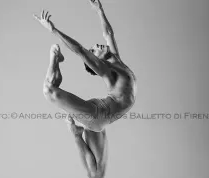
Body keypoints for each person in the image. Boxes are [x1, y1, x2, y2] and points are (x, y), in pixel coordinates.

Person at [33, 0, 137, 132]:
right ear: (96, 60)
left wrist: (100, 10)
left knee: (95, 153)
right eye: (93, 51)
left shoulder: (116, 59)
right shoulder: (106, 70)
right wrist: (53, 30)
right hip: (97, 115)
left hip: (101, 114)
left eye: (93, 47)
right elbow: (80, 50)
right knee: (48, 91)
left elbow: (108, 34)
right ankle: (54, 55)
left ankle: (76, 129)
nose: (96, 46)